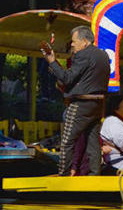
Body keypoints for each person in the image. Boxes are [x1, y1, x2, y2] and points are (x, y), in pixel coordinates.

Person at [42, 25, 110, 176]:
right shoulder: (103, 56)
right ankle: (95, 174)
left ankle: (64, 174)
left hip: (81, 103)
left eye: (74, 41)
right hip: (98, 104)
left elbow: (67, 78)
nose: (72, 45)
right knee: (93, 141)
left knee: (67, 141)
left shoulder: (82, 55)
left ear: (84, 42)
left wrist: (52, 61)